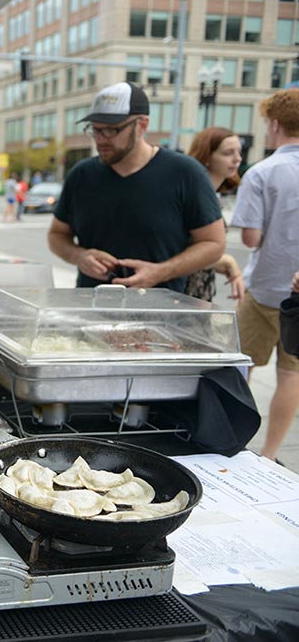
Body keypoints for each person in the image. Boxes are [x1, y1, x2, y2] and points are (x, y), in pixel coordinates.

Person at [47, 82, 224, 292]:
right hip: (90, 305)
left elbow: (214, 244)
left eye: (111, 130)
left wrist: (161, 271)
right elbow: (57, 235)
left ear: (142, 125)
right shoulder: (81, 175)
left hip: (160, 307)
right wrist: (79, 256)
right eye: (95, 129)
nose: (100, 139)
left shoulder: (185, 173)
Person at [229, 89, 299, 461]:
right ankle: (270, 455)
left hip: (266, 288)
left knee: (241, 367)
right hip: (297, 296)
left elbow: (251, 238)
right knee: (291, 374)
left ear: (273, 124)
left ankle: (233, 446)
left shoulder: (262, 172)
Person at [183, 127, 246, 303]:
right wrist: (227, 260)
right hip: (184, 293)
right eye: (228, 153)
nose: (237, 159)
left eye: (239, 152)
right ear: (207, 157)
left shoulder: (211, 195)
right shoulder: (193, 196)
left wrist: (225, 262)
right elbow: (185, 251)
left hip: (199, 291)